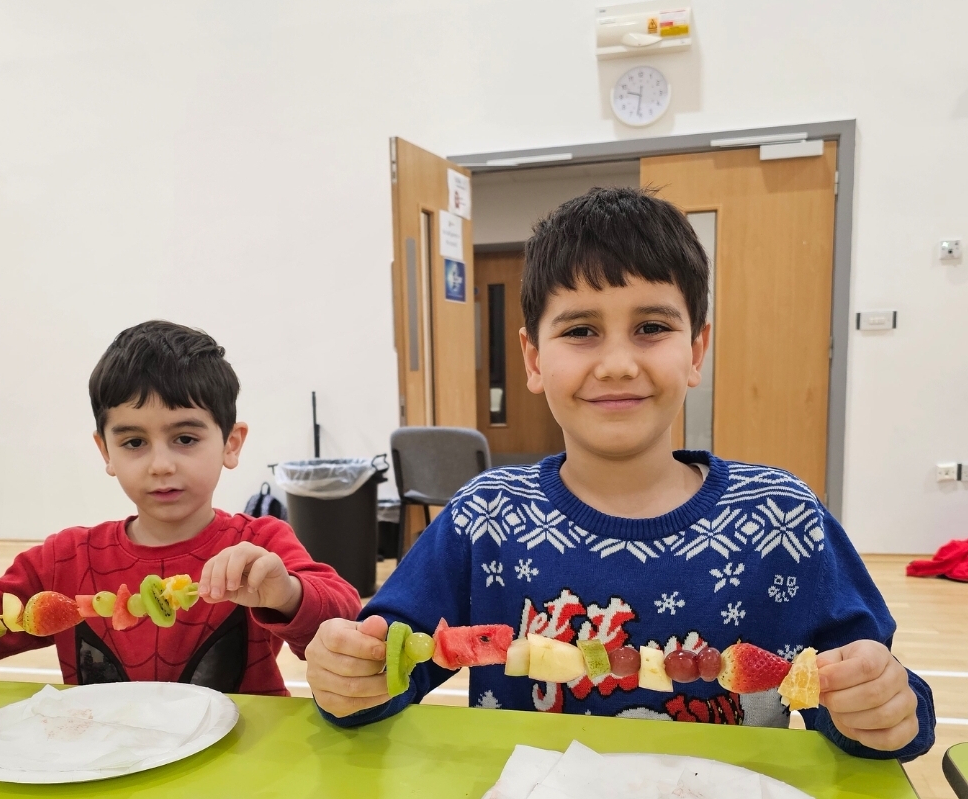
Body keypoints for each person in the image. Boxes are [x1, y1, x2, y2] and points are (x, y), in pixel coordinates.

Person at [305, 187, 935, 761]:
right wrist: (349, 675)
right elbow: (383, 671)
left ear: (694, 352)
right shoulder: (484, 518)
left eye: (651, 328)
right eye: (580, 330)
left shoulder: (781, 518)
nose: (616, 364)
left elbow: (881, 697)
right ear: (532, 358)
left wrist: (881, 711)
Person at [0, 321, 362, 694]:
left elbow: (341, 621)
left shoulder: (259, 545)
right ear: (105, 453)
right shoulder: (66, 560)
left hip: (240, 760)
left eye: (185, 438)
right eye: (134, 441)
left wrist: (287, 593)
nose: (160, 464)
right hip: (104, 762)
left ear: (231, 444)